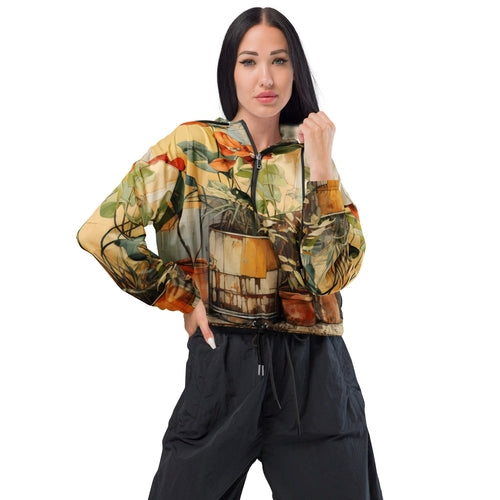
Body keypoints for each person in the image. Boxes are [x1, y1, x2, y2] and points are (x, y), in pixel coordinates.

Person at [77, 6, 383, 499]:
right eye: (249, 61)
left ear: (295, 70)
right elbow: (103, 231)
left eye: (279, 61)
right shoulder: (191, 147)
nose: (266, 78)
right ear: (230, 71)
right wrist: (179, 296)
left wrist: (323, 168)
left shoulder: (312, 157)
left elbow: (330, 274)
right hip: (222, 365)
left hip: (316, 374)